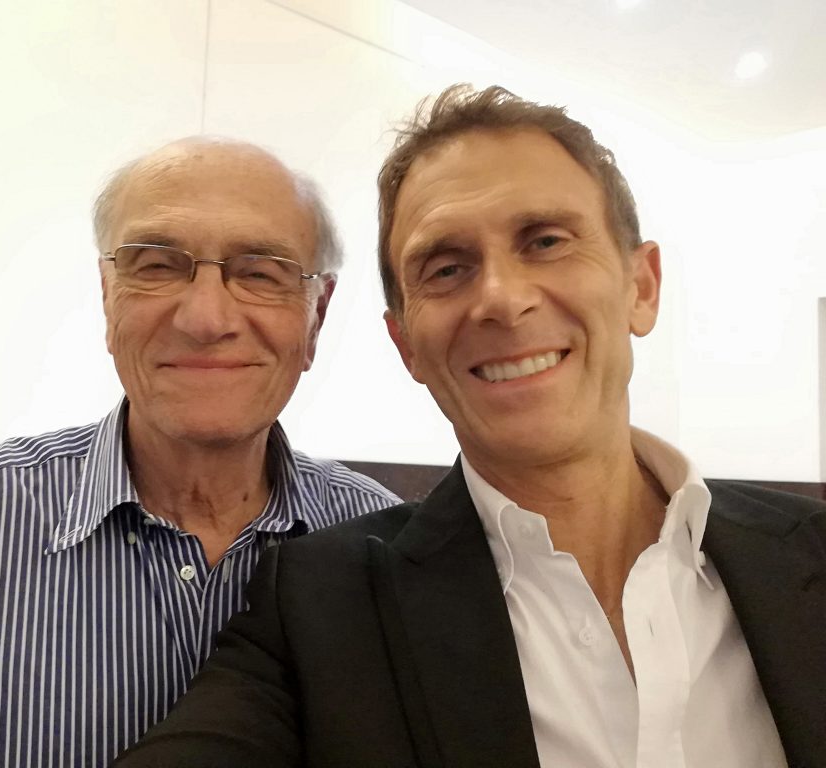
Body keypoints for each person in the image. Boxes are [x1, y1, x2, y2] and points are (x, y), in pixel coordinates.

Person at [118, 87, 826, 768]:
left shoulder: (808, 552)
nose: (502, 299)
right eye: (447, 268)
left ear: (641, 286)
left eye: (545, 241)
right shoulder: (321, 603)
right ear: (406, 344)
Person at [0, 138, 400, 767]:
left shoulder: (388, 552)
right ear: (108, 294)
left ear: (316, 315)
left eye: (259, 273)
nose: (205, 318)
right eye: (158, 266)